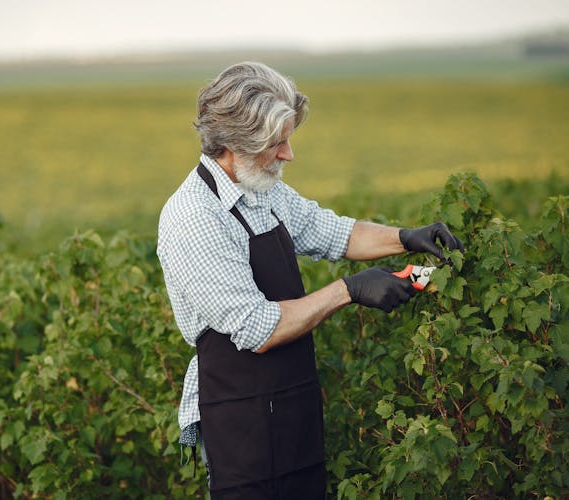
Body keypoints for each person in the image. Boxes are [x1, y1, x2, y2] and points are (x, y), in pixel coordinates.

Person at [156, 61, 463, 499]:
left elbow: (332, 232)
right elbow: (259, 328)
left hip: (291, 400)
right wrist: (349, 290)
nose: (288, 155)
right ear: (234, 145)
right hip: (238, 416)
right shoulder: (194, 218)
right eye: (276, 144)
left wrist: (406, 238)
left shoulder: (259, 187)